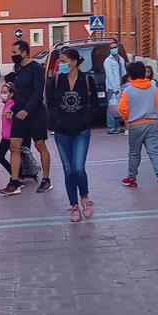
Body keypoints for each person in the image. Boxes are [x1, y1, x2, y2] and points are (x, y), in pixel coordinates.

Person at [48, 48, 98, 222]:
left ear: (75, 62)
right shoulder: (55, 81)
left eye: (63, 61)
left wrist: (85, 121)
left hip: (81, 131)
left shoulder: (87, 80)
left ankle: (85, 198)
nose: (60, 65)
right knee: (68, 170)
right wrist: (57, 121)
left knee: (78, 168)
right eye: (59, 62)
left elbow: (95, 105)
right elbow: (51, 104)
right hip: (62, 132)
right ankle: (73, 205)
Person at [0, 40, 52, 196]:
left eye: (15, 52)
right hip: (19, 114)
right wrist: (14, 110)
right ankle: (15, 181)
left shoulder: (37, 69)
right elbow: (19, 94)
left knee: (40, 145)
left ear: (24, 52)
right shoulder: (19, 69)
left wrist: (27, 110)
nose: (13, 55)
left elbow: (38, 93)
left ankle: (46, 179)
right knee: (14, 147)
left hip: (35, 114)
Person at [120, 61, 158, 191]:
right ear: (144, 73)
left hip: (135, 125)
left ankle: (132, 179)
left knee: (134, 154)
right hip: (152, 124)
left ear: (130, 75)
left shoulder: (128, 90)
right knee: (154, 152)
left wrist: (127, 118)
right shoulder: (152, 87)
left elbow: (122, 108)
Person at [104, 42, 127, 134]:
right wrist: (114, 89)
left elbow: (124, 73)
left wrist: (125, 85)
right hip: (112, 88)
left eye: (115, 47)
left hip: (121, 86)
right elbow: (109, 76)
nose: (113, 49)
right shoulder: (107, 61)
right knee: (111, 107)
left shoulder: (121, 59)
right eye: (111, 48)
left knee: (119, 107)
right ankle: (111, 127)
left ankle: (118, 126)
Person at [0, 82, 16, 177]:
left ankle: (16, 175)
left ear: (11, 94)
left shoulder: (13, 105)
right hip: (5, 136)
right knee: (0, 157)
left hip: (11, 136)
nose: (3, 94)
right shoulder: (6, 105)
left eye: (5, 92)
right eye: (2, 92)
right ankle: (14, 173)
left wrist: (12, 116)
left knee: (14, 156)